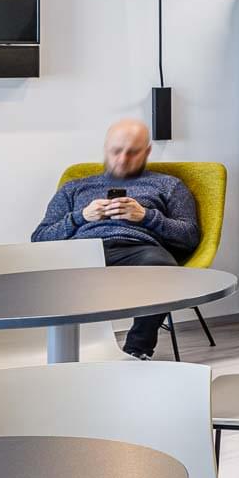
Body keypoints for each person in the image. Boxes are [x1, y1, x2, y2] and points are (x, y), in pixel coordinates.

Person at [31, 118, 202, 359]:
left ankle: (137, 351)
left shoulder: (168, 186)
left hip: (138, 250)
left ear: (147, 151)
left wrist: (146, 216)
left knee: (165, 270)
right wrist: (81, 217)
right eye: (116, 151)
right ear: (105, 149)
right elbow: (39, 240)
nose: (122, 159)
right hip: (82, 252)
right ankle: (60, 351)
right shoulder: (75, 188)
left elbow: (190, 237)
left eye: (132, 152)